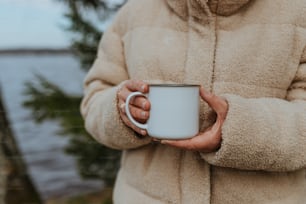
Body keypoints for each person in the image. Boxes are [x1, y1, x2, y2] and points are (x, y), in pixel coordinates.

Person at [80, 0, 306, 203]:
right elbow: (93, 102)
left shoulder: (298, 11)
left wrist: (239, 129)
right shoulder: (132, 13)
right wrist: (122, 111)